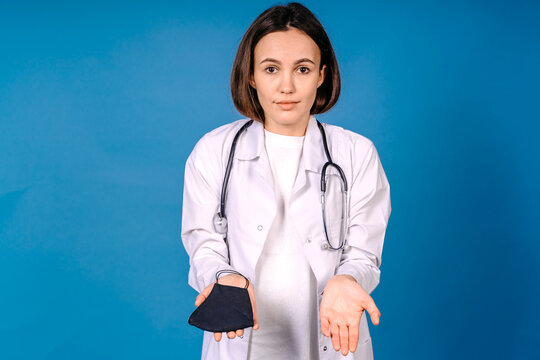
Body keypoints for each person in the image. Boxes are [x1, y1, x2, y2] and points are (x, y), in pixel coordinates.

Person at [181, 2, 391, 359]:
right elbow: (203, 241)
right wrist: (222, 276)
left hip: (327, 338)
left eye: (303, 69)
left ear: (322, 75)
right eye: (271, 69)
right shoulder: (214, 150)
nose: (287, 85)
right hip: (240, 341)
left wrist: (349, 279)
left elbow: (364, 252)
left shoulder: (356, 153)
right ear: (251, 76)